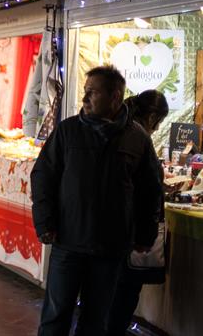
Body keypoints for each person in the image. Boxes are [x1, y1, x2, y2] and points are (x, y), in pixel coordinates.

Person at [31, 65, 162, 336]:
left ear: (115, 97)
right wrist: (44, 222)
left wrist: (145, 234)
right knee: (55, 316)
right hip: (69, 241)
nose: (84, 98)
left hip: (111, 247)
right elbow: (43, 176)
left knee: (95, 321)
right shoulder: (68, 131)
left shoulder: (137, 138)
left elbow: (150, 190)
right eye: (85, 92)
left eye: (92, 92)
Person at [106, 90, 168, 335]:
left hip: (110, 229)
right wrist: (146, 235)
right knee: (124, 295)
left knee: (111, 292)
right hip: (128, 232)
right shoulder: (138, 136)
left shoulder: (117, 129)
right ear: (153, 117)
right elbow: (150, 189)